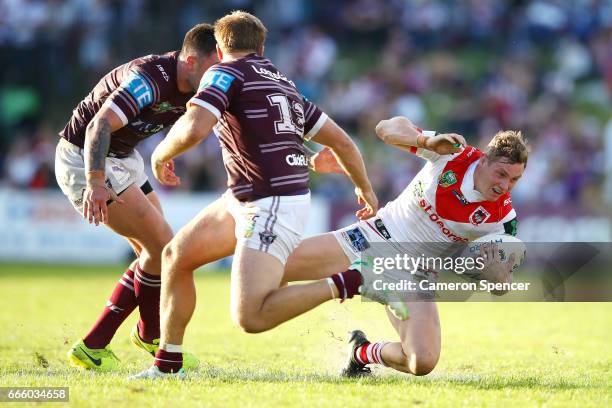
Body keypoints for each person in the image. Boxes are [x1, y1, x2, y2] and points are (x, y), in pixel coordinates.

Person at [130, 11, 378, 379]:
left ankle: (349, 281)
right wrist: (365, 189)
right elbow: (341, 141)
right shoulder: (285, 83)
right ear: (261, 47)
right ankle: (168, 366)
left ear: (218, 48)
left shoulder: (224, 72)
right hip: (248, 196)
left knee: (251, 316)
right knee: (176, 256)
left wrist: (162, 153)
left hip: (270, 201)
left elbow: (196, 126)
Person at [280, 116, 528, 377]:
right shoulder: (453, 154)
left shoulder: (504, 219)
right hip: (373, 238)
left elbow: (503, 285)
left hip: (414, 275)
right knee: (273, 267)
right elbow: (384, 128)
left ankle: (360, 353)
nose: (505, 186)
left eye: (514, 180)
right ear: (484, 159)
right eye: (501, 174)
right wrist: (426, 141)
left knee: (422, 362)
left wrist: (495, 275)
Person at [55, 23, 218, 371]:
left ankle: (98, 345)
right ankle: (149, 334)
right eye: (212, 67)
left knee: (157, 253)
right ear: (190, 60)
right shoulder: (148, 78)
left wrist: (164, 156)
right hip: (85, 156)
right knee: (162, 246)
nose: (216, 77)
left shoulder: (195, 84)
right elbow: (98, 125)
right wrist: (95, 181)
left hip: (125, 158)